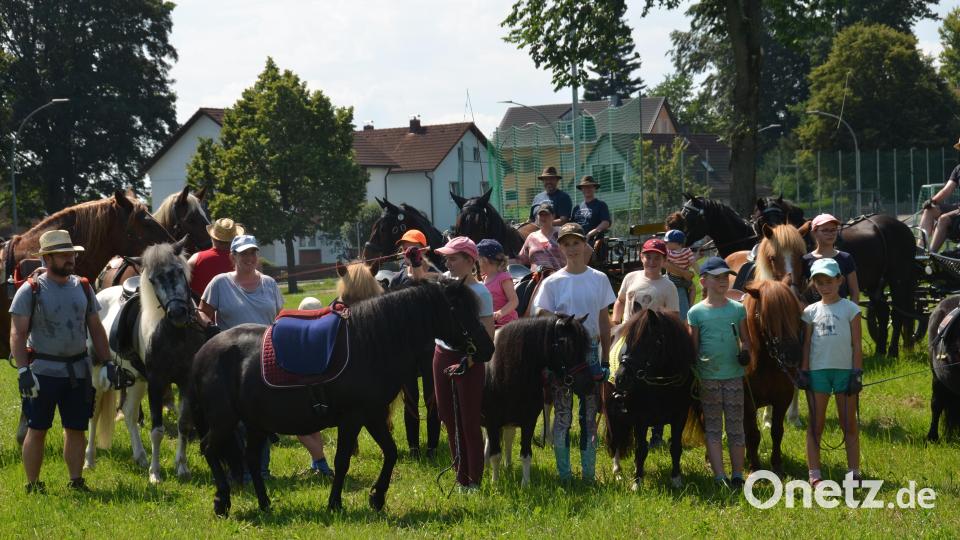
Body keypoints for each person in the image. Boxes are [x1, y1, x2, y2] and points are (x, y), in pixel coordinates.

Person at [11, 230, 112, 493]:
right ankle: (33, 484)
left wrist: (108, 362)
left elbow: (96, 328)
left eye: (72, 254)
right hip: (42, 372)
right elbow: (18, 333)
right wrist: (23, 370)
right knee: (37, 429)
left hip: (78, 372)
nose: (71, 259)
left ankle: (76, 480)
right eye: (64, 254)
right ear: (47, 258)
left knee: (76, 429)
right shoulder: (30, 290)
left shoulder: (84, 287)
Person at [532, 223, 616, 483]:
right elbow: (540, 314)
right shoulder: (553, 282)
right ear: (560, 247)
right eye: (566, 244)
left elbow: (604, 319)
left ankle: (589, 475)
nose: (571, 248)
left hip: (590, 349)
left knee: (589, 414)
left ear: (584, 245)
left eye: (576, 243)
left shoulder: (598, 279)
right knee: (563, 413)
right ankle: (565, 475)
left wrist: (604, 358)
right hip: (564, 354)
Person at [198, 234, 283, 479]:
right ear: (232, 257)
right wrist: (212, 330)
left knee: (262, 414)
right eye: (243, 254)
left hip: (265, 357)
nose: (249, 258)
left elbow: (279, 317)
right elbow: (202, 313)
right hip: (232, 360)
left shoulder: (269, 284)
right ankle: (240, 468)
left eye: (253, 253)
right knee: (235, 418)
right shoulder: (220, 283)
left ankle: (261, 469)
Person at [432, 237, 495, 491]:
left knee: (469, 421)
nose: (448, 262)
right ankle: (460, 478)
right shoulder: (442, 284)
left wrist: (470, 361)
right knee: (448, 418)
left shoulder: (481, 292)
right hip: (441, 355)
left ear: (470, 261)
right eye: (446, 258)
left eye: (453, 258)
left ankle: (474, 481)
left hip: (468, 361)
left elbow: (488, 337)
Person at [687, 256, 751, 489]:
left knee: (735, 426)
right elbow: (693, 348)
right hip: (708, 377)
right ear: (703, 281)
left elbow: (746, 340)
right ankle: (719, 476)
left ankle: (737, 475)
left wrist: (745, 352)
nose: (723, 281)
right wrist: (694, 371)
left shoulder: (737, 309)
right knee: (713, 427)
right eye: (717, 277)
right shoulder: (696, 313)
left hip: (734, 375)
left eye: (726, 276)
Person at [798, 258, 863, 485]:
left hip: (844, 372)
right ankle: (814, 474)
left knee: (849, 424)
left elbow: (857, 343)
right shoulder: (809, 312)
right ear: (814, 284)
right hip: (818, 372)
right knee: (816, 424)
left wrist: (857, 372)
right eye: (820, 282)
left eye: (829, 281)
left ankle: (854, 472)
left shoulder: (851, 309)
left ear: (840, 280)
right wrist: (804, 370)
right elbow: (806, 344)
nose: (825, 286)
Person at [611, 237, 680, 448]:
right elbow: (621, 301)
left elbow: (674, 315)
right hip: (628, 333)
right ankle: (614, 398)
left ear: (664, 261)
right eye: (648, 256)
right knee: (614, 360)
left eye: (656, 258)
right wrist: (615, 321)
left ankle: (657, 430)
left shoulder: (668, 286)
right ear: (641, 257)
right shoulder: (631, 278)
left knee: (657, 376)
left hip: (653, 340)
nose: (651, 261)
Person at [802, 214, 860, 305]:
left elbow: (855, 292)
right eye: (825, 230)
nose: (830, 234)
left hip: (841, 314)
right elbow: (802, 291)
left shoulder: (845, 258)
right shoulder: (805, 260)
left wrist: (850, 313)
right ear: (814, 233)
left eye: (833, 230)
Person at [919, 138, 960, 253]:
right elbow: (946, 191)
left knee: (943, 219)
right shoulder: (958, 169)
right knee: (929, 210)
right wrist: (932, 201)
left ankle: (931, 255)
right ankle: (921, 250)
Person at [188, 217, 244, 297]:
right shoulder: (243, 262)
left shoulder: (196, 258)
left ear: (212, 237)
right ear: (234, 239)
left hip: (200, 308)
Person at [478, 239, 519, 328]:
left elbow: (514, 301)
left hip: (508, 324)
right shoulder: (483, 278)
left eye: (477, 260)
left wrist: (499, 313)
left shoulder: (503, 277)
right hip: (492, 323)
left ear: (485, 260)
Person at [571, 175, 611, 264]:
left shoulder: (601, 205)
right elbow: (571, 226)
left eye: (590, 186)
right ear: (581, 189)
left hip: (593, 242)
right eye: (585, 187)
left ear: (594, 188)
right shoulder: (576, 208)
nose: (587, 189)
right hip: (577, 242)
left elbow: (606, 222)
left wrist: (590, 233)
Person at [518, 202, 566, 273]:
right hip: (536, 280)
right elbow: (521, 259)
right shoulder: (532, 237)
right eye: (541, 215)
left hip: (558, 279)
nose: (543, 217)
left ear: (553, 216)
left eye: (546, 214)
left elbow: (584, 250)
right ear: (537, 217)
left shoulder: (562, 233)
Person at [664, 229, 698, 319]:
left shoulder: (668, 253)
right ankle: (691, 306)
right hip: (684, 280)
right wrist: (700, 273)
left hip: (672, 278)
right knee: (693, 288)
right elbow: (693, 263)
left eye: (668, 242)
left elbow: (665, 263)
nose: (666, 244)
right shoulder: (687, 251)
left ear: (677, 243)